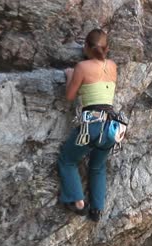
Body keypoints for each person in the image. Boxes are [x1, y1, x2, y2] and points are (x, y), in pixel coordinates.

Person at [58, 29, 118, 222]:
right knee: (98, 167)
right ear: (107, 49)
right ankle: (97, 210)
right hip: (111, 127)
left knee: (67, 159)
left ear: (85, 47)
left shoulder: (82, 67)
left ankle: (78, 201)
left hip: (92, 124)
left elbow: (69, 96)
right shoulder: (112, 65)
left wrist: (70, 75)